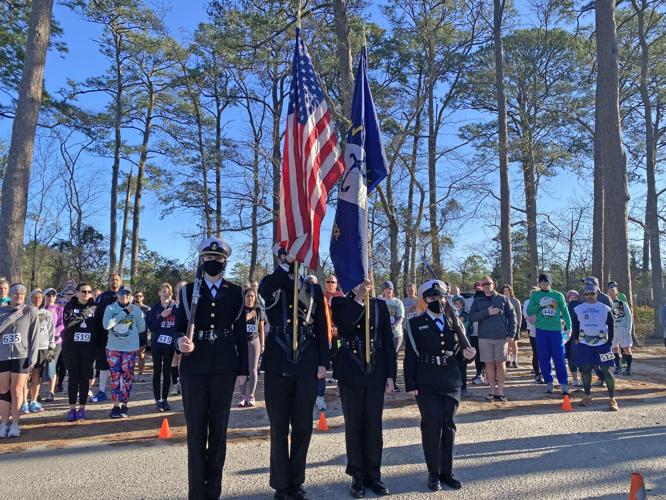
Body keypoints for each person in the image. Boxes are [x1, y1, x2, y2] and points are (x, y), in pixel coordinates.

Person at [175, 237, 248, 500]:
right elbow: (178, 327)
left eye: (217, 259)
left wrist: (244, 370)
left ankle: (213, 491)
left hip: (224, 367)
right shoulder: (187, 292)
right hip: (194, 368)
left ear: (224, 262)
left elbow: (241, 333)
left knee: (218, 431)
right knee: (196, 431)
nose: (213, 263)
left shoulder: (236, 292)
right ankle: (196, 493)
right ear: (202, 261)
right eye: (208, 259)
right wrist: (179, 340)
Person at [259, 248, 328, 500]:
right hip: (278, 364)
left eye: (296, 257)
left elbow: (322, 328)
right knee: (278, 427)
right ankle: (280, 484)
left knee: (302, 427)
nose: (291, 261)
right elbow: (263, 293)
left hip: (307, 364)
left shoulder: (314, 290)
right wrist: (285, 266)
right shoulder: (272, 283)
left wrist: (323, 362)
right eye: (286, 257)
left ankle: (296, 482)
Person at [404, 280, 476, 492]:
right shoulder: (415, 323)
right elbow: (411, 356)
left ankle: (448, 472)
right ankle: (433, 473)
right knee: (431, 426)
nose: (437, 301)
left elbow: (462, 354)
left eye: (441, 297)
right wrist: (411, 383)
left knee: (448, 425)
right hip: (426, 382)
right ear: (424, 301)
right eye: (432, 298)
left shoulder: (455, 323)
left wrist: (469, 356)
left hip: (451, 380)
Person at [330, 278, 396, 498]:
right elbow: (346, 327)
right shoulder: (340, 304)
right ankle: (357, 475)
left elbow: (387, 340)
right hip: (351, 370)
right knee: (355, 423)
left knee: (373, 424)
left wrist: (390, 375)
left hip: (376, 371)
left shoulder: (379, 305)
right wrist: (358, 298)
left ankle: (374, 475)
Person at [0, 284, 39, 438]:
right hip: (2, 356)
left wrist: (33, 358)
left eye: (23, 293)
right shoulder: (2, 310)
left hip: (21, 356)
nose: (20, 295)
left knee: (17, 390)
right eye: (16, 292)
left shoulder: (30, 311)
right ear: (10, 294)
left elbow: (34, 337)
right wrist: (14, 315)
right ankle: (3, 424)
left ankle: (15, 424)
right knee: (3, 390)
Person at [468, 277, 516, 402]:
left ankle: (500, 391)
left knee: (500, 364)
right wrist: (487, 312)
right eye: (483, 284)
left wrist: (511, 335)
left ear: (493, 284)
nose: (486, 286)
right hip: (484, 337)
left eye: (488, 283)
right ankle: (492, 391)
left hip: (501, 337)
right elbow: (472, 317)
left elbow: (512, 317)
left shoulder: (503, 299)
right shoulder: (478, 300)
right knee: (488, 364)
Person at [571, 285, 618, 410]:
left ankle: (612, 399)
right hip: (585, 344)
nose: (589, 296)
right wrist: (576, 339)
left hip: (603, 345)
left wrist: (610, 342)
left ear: (597, 293)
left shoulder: (605, 308)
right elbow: (575, 324)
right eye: (586, 294)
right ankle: (587, 396)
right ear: (583, 295)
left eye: (591, 293)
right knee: (586, 370)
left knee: (606, 370)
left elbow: (611, 325)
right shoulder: (579, 308)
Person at [102, 285, 145, 418]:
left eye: (127, 294)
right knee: (115, 376)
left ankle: (124, 405)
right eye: (121, 293)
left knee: (127, 377)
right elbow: (107, 325)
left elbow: (141, 327)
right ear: (117, 295)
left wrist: (129, 334)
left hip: (130, 348)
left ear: (130, 295)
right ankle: (115, 406)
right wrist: (125, 312)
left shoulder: (136, 309)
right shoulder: (110, 308)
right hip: (113, 348)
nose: (124, 296)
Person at [527, 274, 571, 395]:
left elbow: (565, 312)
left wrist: (569, 327)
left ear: (550, 282)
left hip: (556, 330)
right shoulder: (536, 295)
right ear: (539, 283)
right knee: (543, 357)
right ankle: (549, 382)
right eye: (541, 282)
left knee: (559, 357)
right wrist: (540, 305)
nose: (544, 284)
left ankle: (563, 383)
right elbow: (529, 311)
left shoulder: (558, 295)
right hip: (541, 330)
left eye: (546, 282)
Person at [62, 283, 98, 421]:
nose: (86, 294)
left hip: (88, 350)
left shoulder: (95, 307)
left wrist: (98, 351)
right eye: (83, 291)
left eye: (89, 291)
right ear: (77, 293)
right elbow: (68, 323)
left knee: (84, 380)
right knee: (73, 379)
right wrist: (85, 313)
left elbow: (99, 330)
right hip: (71, 349)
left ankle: (82, 408)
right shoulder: (70, 306)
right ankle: (72, 409)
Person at [91, 273, 122, 403]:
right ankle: (102, 391)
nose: (114, 282)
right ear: (109, 282)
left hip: (121, 337)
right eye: (112, 280)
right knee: (103, 365)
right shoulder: (102, 297)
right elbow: (96, 317)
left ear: (120, 282)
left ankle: (119, 391)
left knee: (119, 365)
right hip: (103, 337)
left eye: (116, 280)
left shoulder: (125, 296)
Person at [147, 283, 178, 412]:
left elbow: (180, 324)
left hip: (170, 345)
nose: (166, 294)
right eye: (163, 291)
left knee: (167, 372)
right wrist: (162, 317)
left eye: (168, 292)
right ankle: (157, 400)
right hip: (157, 345)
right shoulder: (154, 309)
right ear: (159, 293)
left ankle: (164, 400)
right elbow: (152, 327)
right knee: (156, 371)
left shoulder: (175, 307)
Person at [25, 289, 55, 413]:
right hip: (27, 348)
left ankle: (33, 401)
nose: (38, 300)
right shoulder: (26, 312)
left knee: (37, 374)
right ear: (31, 298)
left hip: (42, 347)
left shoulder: (47, 313)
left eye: (40, 297)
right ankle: (23, 402)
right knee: (26, 375)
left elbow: (51, 330)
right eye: (35, 297)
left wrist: (51, 346)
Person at [237, 287, 264, 408]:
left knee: (253, 369)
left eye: (252, 296)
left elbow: (261, 328)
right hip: (241, 341)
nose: (250, 298)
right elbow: (235, 325)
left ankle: (251, 395)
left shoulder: (258, 309)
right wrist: (247, 317)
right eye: (248, 296)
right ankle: (242, 396)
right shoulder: (240, 309)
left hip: (254, 341)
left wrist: (263, 343)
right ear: (244, 297)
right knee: (242, 369)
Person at [380, 281, 404, 392]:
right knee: (383, 356)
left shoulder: (397, 302)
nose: (388, 290)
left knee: (393, 357)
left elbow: (400, 317)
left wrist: (393, 326)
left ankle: (393, 382)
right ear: (383, 290)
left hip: (396, 334)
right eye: (386, 288)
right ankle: (384, 380)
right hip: (382, 334)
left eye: (390, 289)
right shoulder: (380, 301)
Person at [42, 288, 64, 402]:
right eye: (48, 295)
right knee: (39, 367)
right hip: (41, 343)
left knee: (52, 365)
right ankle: (37, 393)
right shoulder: (40, 309)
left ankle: (51, 392)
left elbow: (62, 324)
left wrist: (53, 333)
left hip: (56, 342)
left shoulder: (60, 309)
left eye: (53, 295)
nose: (51, 297)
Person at [608, 284, 633, 376]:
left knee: (625, 348)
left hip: (622, 328)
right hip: (612, 329)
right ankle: (618, 367)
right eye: (609, 292)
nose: (611, 293)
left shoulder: (622, 304)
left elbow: (629, 317)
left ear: (616, 293)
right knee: (614, 348)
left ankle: (627, 368)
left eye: (613, 291)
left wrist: (628, 330)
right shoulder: (607, 305)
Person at [451, 295, 471, 397]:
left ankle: (464, 387)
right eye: (456, 304)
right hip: (453, 344)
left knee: (463, 366)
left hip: (464, 344)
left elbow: (466, 326)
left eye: (460, 304)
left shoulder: (466, 315)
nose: (458, 306)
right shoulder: (449, 315)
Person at [170, 279, 187, 396]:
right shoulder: (173, 305)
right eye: (179, 288)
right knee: (174, 360)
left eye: (184, 287)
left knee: (182, 359)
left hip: (185, 335)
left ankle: (182, 382)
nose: (181, 289)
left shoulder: (191, 304)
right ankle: (175, 384)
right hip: (173, 335)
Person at [522, 287, 543, 383]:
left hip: (546, 329)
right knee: (536, 352)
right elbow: (528, 316)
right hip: (533, 329)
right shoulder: (527, 302)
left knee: (545, 352)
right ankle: (537, 373)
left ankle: (545, 372)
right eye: (532, 293)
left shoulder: (545, 301)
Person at [500, 284, 522, 369]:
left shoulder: (515, 301)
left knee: (514, 343)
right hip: (503, 326)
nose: (506, 292)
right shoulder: (501, 300)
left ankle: (514, 360)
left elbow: (519, 314)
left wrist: (518, 325)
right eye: (504, 291)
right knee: (506, 344)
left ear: (510, 291)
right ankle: (507, 359)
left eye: (507, 290)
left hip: (514, 326)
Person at [133, 290, 151, 382]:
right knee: (131, 357)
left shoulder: (147, 309)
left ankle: (140, 374)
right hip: (131, 337)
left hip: (142, 336)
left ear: (143, 297)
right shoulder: (130, 308)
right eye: (136, 296)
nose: (138, 298)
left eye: (140, 296)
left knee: (141, 356)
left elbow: (150, 323)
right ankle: (131, 375)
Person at [565, 290, 582, 386]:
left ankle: (583, 379)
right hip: (569, 335)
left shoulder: (582, 306)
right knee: (571, 357)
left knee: (581, 357)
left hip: (580, 335)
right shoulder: (565, 307)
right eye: (571, 297)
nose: (573, 299)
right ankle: (575, 378)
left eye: (575, 297)